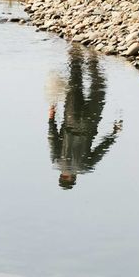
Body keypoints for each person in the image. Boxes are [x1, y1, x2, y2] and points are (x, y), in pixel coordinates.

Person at [48, 47, 122, 189]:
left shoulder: (84, 167)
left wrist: (114, 133)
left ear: (72, 179)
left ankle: (94, 56)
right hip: (70, 122)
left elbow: (101, 149)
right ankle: (76, 51)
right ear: (61, 176)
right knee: (75, 82)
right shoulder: (57, 162)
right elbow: (52, 137)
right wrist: (51, 115)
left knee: (97, 86)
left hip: (89, 125)